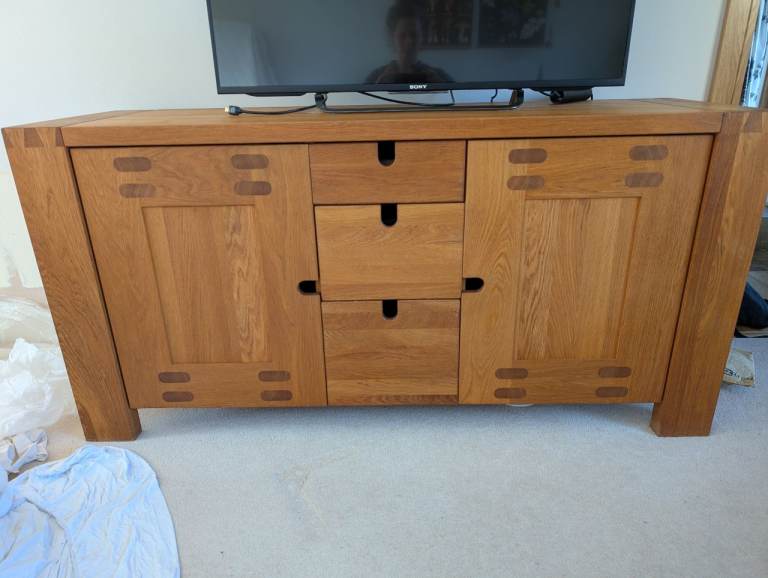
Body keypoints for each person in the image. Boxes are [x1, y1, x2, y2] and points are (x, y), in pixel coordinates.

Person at [366, 1, 453, 85]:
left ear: (422, 37)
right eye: (402, 35)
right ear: (392, 38)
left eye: (414, 35)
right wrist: (377, 88)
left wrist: (443, 89)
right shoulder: (375, 77)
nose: (409, 41)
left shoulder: (439, 76)